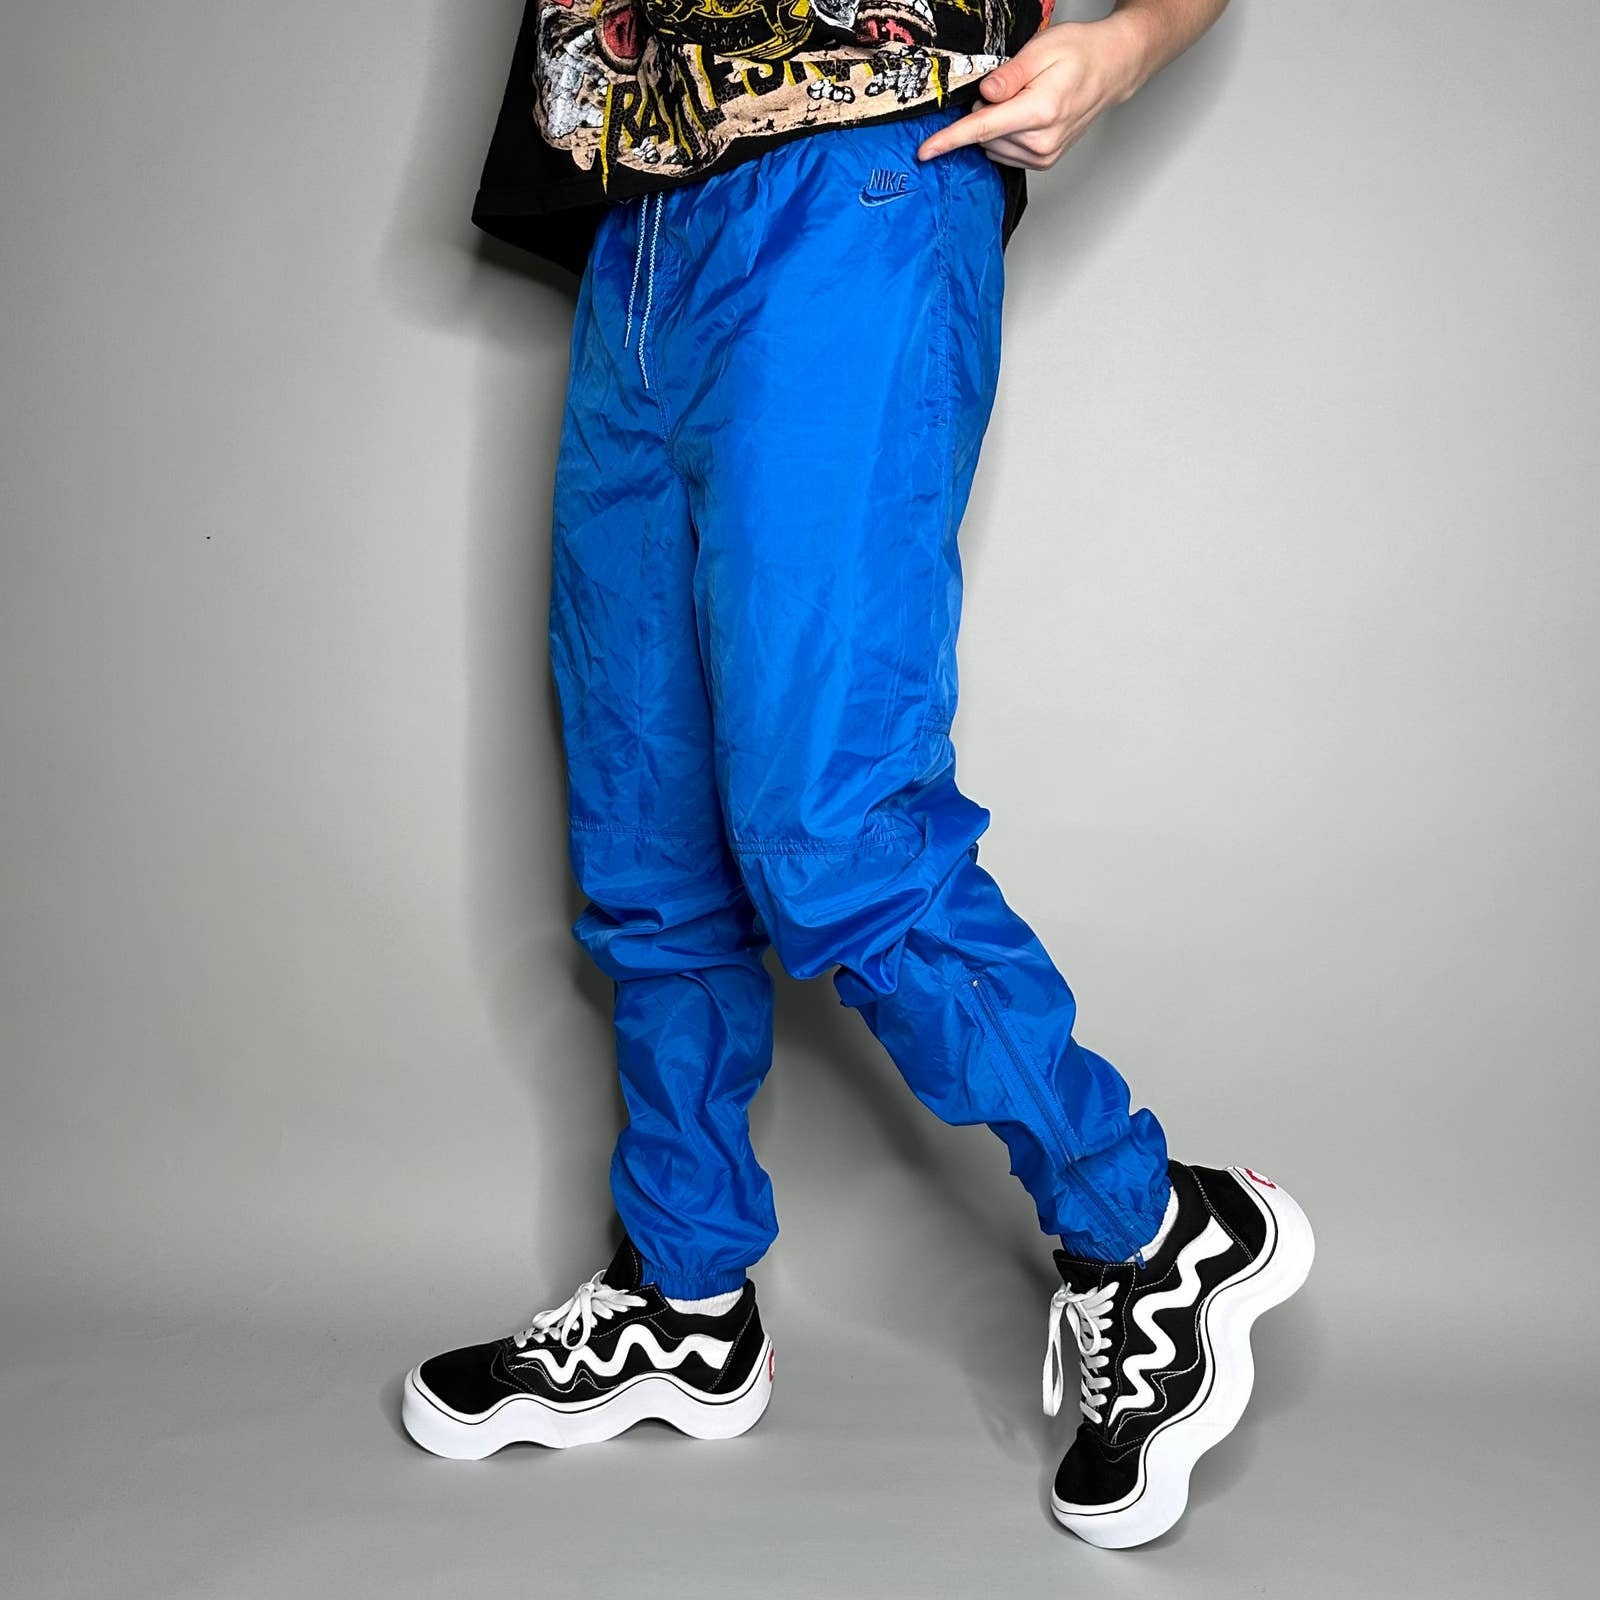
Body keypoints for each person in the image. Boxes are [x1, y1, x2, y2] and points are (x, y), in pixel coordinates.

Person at [402, 0, 1313, 1548]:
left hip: (855, 184)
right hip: (637, 230)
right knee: (648, 846)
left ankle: (1152, 1224)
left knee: (831, 826)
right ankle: (685, 1296)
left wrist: (1126, 45)